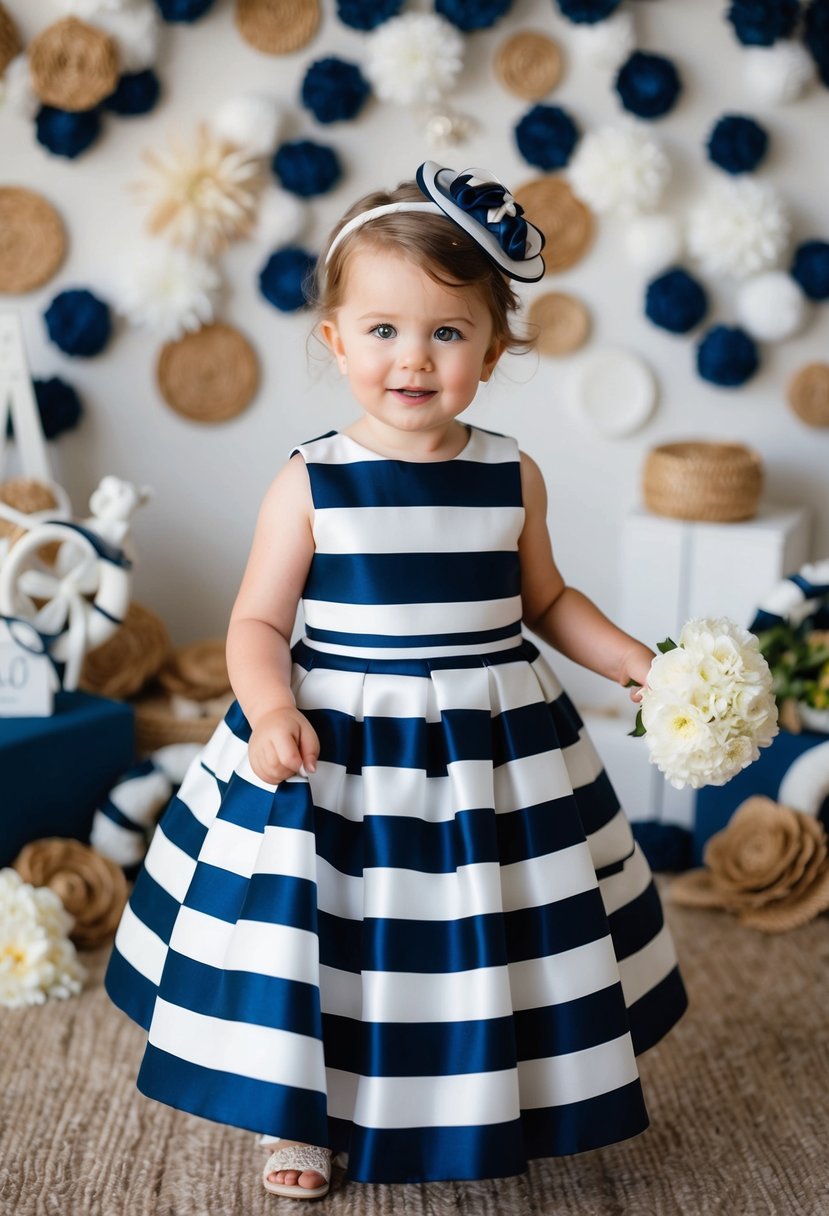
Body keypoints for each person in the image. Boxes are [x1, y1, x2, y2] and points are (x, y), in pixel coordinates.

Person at [105, 161, 688, 1200]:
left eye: (446, 333)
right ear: (335, 340)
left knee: (480, 932)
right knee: (325, 940)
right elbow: (255, 619)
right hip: (339, 749)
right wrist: (270, 705)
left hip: (487, 753)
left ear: (494, 350)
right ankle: (300, 1117)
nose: (412, 358)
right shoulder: (313, 478)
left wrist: (638, 664)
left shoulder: (509, 472)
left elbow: (546, 600)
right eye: (381, 330)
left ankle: (494, 1089)